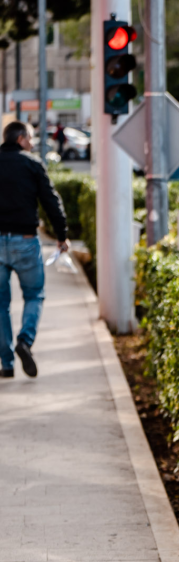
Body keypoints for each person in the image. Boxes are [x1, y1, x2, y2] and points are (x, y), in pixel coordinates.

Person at [0, 120, 69, 379]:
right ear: (20, 139)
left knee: (0, 305)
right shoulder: (32, 164)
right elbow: (51, 201)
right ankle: (25, 341)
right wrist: (62, 236)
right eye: (30, 139)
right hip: (25, 242)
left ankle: (6, 365)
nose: (31, 144)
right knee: (34, 295)